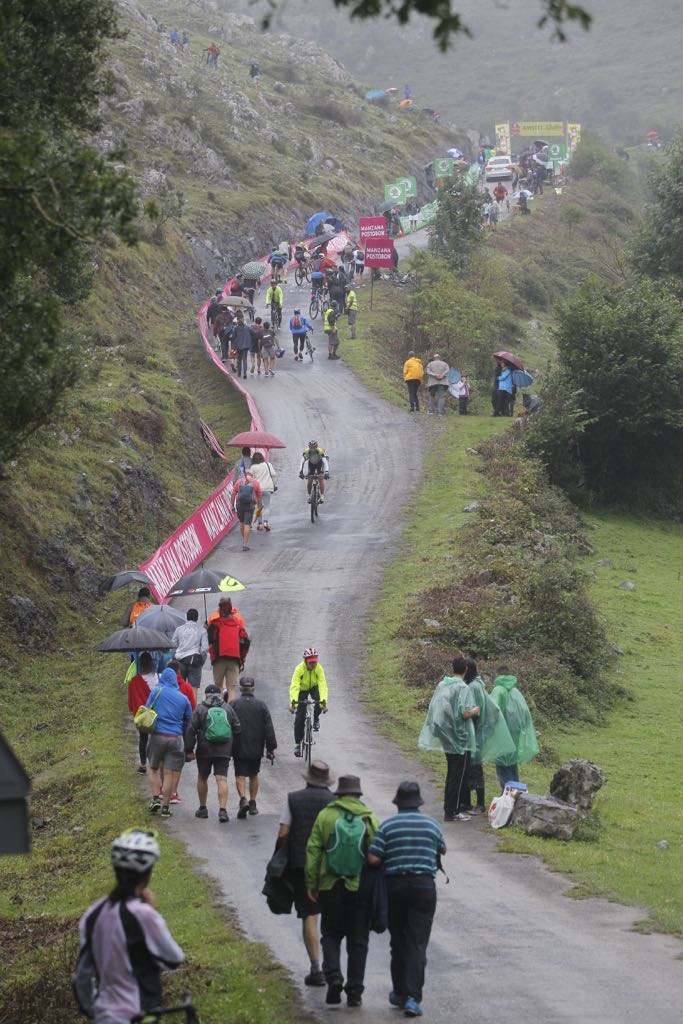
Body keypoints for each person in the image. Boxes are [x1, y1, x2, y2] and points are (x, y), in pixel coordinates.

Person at [74, 830, 184, 1023]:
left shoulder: (93, 913)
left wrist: (95, 1011)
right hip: (139, 1013)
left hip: (104, 1015)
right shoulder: (143, 914)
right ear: (147, 873)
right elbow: (173, 958)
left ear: (115, 869)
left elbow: (82, 975)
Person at [367, 782, 446, 1017]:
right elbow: (443, 849)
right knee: (417, 943)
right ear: (419, 803)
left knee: (398, 941)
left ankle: (399, 992)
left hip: (396, 888)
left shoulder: (388, 826)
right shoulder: (431, 825)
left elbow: (373, 858)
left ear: (398, 804)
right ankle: (413, 998)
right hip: (424, 887)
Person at [305, 775, 379, 1008]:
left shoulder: (327, 815)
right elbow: (379, 853)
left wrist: (312, 883)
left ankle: (334, 977)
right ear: (358, 795)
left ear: (339, 794)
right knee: (358, 941)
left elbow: (313, 850)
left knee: (331, 934)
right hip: (359, 888)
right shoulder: (369, 817)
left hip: (330, 885)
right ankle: (355, 991)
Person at [278, 760, 336, 987]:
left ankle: (316, 967)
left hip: (302, 866)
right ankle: (334, 967)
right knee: (331, 918)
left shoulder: (294, 799)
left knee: (309, 915)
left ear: (307, 778)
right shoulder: (334, 802)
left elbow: (283, 833)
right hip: (330, 866)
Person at [418, 656, 479, 822]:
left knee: (451, 773)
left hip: (446, 735)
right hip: (460, 738)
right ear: (466, 670)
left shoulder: (443, 684)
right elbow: (465, 713)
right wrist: (475, 710)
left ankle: (449, 808)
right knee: (458, 776)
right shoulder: (463, 688)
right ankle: (453, 811)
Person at [462, 658, 515, 815]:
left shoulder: (473, 687)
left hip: (475, 733)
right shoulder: (475, 684)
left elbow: (476, 711)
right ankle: (467, 802)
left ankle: (479, 804)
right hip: (474, 732)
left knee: (475, 768)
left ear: (468, 671)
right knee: (470, 767)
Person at [184, 683, 240, 822]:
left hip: (205, 749)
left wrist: (189, 750)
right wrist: (233, 748)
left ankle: (203, 809)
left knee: (202, 777)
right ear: (220, 695)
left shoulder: (201, 708)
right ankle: (223, 810)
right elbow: (237, 728)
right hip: (224, 750)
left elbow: (191, 729)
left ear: (206, 695)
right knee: (222, 779)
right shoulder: (227, 708)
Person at [145, 667, 193, 818]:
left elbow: (147, 710)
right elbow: (188, 721)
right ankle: (165, 808)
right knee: (169, 773)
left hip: (158, 736)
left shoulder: (156, 692)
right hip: (175, 739)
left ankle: (155, 798)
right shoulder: (183, 698)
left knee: (152, 768)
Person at [231, 675, 277, 818]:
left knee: (240, 774)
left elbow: (229, 725)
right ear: (253, 689)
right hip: (256, 747)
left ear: (240, 688)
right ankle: (253, 803)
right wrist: (270, 748)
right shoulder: (261, 705)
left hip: (238, 746)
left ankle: (243, 799)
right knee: (253, 774)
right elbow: (269, 727)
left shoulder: (233, 704)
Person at [490, 666, 539, 788]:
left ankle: (507, 798)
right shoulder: (516, 691)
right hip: (516, 735)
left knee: (503, 768)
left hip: (502, 736)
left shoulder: (498, 690)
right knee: (512, 765)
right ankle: (517, 795)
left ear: (497, 675)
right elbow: (525, 713)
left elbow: (492, 712)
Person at [207, 595, 250, 700]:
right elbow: (245, 642)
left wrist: (208, 628)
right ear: (231, 608)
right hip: (234, 660)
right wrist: (242, 657)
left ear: (219, 608)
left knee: (219, 687)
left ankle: (220, 711)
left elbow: (209, 640)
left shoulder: (215, 623)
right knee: (231, 689)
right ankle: (230, 712)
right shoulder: (237, 623)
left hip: (219, 659)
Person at [290, 648, 328, 757]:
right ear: (305, 661)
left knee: (319, 701)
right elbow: (294, 686)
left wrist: (323, 703)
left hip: (314, 687)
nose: (313, 664)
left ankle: (316, 718)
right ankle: (298, 744)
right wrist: (293, 703)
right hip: (302, 689)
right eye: (311, 662)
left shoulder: (319, 669)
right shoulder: (299, 669)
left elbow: (323, 685)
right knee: (299, 718)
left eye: (315, 662)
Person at [127, 651, 157, 774]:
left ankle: (143, 764)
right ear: (152, 663)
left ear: (141, 665)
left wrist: (133, 711)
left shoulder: (134, 681)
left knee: (143, 738)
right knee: (156, 738)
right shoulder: (158, 678)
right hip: (156, 714)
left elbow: (130, 701)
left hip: (141, 715)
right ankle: (155, 763)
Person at [171, 609, 208, 695]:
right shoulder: (202, 630)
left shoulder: (179, 629)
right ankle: (193, 708)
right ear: (197, 618)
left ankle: (180, 707)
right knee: (193, 689)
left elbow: (172, 645)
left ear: (186, 617)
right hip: (195, 661)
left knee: (180, 688)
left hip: (180, 661)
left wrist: (174, 657)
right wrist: (202, 661)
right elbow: (204, 649)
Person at [230, 470, 262, 551]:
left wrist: (232, 505)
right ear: (252, 475)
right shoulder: (255, 483)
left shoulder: (239, 481)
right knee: (247, 524)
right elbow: (259, 496)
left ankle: (244, 539)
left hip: (239, 505)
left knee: (241, 522)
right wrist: (259, 507)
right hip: (250, 505)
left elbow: (233, 493)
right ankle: (245, 543)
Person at [249, 451, 277, 532]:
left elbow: (250, 479)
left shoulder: (253, 467)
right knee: (267, 506)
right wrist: (274, 485)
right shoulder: (268, 464)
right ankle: (266, 522)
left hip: (258, 489)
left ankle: (260, 524)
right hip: (268, 488)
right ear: (262, 457)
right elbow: (274, 475)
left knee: (259, 507)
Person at [232, 314, 252, 380]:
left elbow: (233, 337)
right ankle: (245, 373)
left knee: (239, 360)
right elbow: (252, 334)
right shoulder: (247, 327)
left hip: (238, 346)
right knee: (245, 360)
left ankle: (239, 372)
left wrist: (233, 346)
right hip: (245, 346)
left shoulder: (236, 328)